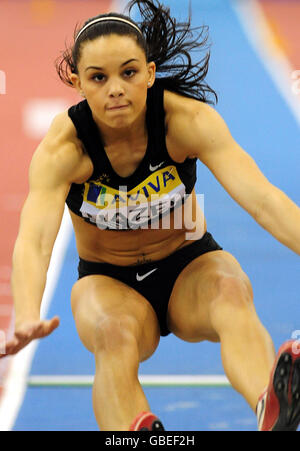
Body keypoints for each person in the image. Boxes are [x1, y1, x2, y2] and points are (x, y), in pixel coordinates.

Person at [2, 0, 299, 432]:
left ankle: (271, 410)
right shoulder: (65, 150)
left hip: (187, 265)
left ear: (150, 72)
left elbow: (264, 200)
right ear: (77, 82)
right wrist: (27, 312)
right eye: (98, 78)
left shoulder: (185, 121)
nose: (116, 89)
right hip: (108, 280)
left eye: (128, 72)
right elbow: (34, 240)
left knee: (231, 290)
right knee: (113, 336)